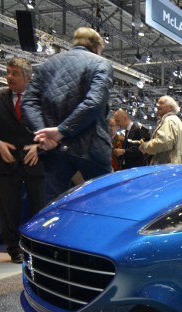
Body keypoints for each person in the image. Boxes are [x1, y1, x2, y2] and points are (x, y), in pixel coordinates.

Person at [22, 27, 114, 201]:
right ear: (97, 47)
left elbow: (28, 102)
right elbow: (94, 103)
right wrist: (61, 131)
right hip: (91, 146)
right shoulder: (100, 63)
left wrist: (44, 134)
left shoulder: (47, 65)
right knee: (105, 202)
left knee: (54, 207)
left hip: (54, 149)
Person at [0, 57, 45, 264]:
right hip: (6, 161)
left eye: (14, 73)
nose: (9, 77)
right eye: (8, 72)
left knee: (40, 207)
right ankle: (14, 250)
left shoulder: (40, 99)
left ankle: (38, 247)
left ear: (28, 78)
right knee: (8, 209)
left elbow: (52, 126)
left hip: (35, 161)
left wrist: (39, 146)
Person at [139, 95, 182, 165]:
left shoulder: (168, 120)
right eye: (158, 103)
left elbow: (163, 142)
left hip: (167, 166)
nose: (157, 105)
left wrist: (145, 146)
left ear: (170, 107)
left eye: (161, 103)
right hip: (174, 165)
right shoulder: (176, 120)